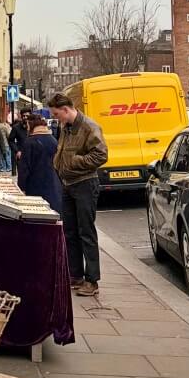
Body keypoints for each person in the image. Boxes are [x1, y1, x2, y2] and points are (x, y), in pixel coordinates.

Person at [48, 91, 108, 297]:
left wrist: (75, 162)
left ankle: (92, 280)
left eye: (57, 114)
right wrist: (58, 164)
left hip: (85, 183)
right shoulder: (66, 127)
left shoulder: (89, 127)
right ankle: (76, 275)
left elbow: (101, 155)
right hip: (68, 183)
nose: (56, 119)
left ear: (66, 110)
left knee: (86, 232)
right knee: (70, 231)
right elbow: (62, 151)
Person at [17, 115, 62, 213]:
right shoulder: (53, 140)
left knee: (38, 213)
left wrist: (21, 187)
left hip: (35, 184)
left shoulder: (30, 142)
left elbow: (24, 168)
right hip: (53, 184)